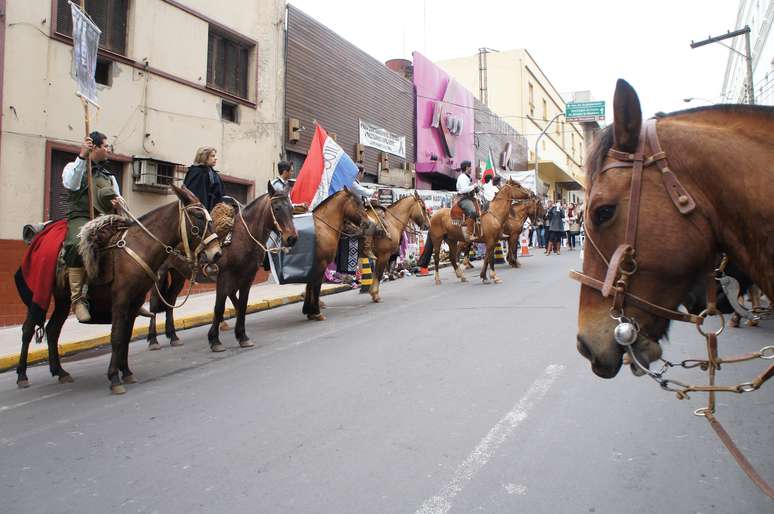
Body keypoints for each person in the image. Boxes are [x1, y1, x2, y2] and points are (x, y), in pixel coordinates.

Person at [63, 132, 121, 322]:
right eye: (105, 146)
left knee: (127, 243)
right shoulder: (73, 167)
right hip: (81, 217)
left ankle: (126, 297)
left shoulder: (109, 177)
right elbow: (71, 184)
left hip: (104, 219)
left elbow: (119, 199)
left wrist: (118, 203)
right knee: (76, 243)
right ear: (94, 148)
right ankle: (78, 300)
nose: (108, 149)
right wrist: (82, 156)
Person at [351, 164, 380, 260]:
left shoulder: (356, 182)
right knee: (371, 223)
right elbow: (362, 191)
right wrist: (373, 191)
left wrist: (369, 200)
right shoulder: (352, 182)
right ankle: (366, 249)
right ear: (359, 173)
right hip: (353, 210)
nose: (363, 175)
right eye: (363, 173)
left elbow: (362, 195)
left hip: (359, 208)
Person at [183, 147, 223, 211]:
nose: (216, 158)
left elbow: (220, 194)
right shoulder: (197, 172)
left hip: (214, 212)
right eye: (212, 156)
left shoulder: (214, 174)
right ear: (204, 157)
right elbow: (195, 197)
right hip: (200, 213)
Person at [455, 160, 480, 242]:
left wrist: (476, 190)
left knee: (481, 208)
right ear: (466, 168)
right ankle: (468, 234)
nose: (471, 168)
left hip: (469, 198)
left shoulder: (467, 177)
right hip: (463, 199)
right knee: (472, 211)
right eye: (470, 167)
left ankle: (477, 231)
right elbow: (463, 190)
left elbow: (470, 189)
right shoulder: (462, 177)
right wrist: (474, 186)